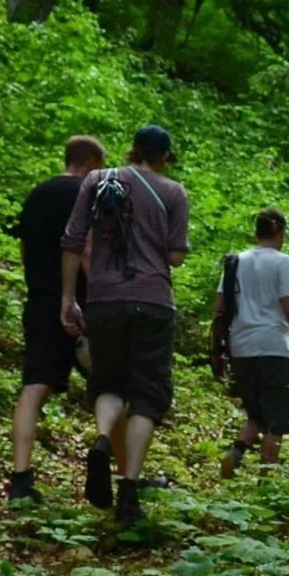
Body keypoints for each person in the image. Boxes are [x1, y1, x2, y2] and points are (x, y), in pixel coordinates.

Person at [60, 124, 190, 526]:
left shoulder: (97, 180)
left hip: (103, 299)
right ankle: (129, 490)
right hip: (152, 301)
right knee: (148, 395)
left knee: (108, 383)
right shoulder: (173, 192)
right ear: (165, 156)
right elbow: (175, 257)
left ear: (133, 150)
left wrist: (68, 298)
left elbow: (72, 239)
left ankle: (102, 438)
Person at [6, 135, 107, 504]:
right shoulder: (85, 195)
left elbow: (24, 250)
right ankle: (126, 475)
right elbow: (85, 250)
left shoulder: (36, 195)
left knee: (34, 387)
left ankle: (20, 479)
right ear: (91, 162)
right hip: (78, 307)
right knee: (112, 387)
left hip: (40, 301)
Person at [218, 208, 289, 478]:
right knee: (276, 419)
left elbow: (220, 308)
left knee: (255, 413)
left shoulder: (236, 262)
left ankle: (236, 451)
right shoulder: (284, 262)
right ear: (281, 233)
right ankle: (266, 478)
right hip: (273, 347)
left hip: (240, 347)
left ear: (256, 232)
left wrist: (218, 349)